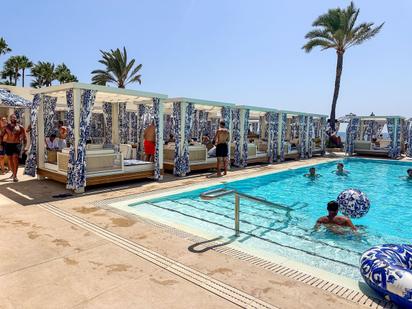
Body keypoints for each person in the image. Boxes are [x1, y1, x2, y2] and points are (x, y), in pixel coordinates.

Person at [0, 114, 27, 182]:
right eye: (12, 117)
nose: (13, 118)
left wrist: (25, 146)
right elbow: (1, 136)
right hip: (8, 144)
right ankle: (13, 173)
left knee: (15, 158)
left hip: (16, 144)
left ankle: (15, 176)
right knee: (10, 159)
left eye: (14, 117)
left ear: (16, 118)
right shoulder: (6, 127)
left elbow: (24, 137)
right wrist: (1, 144)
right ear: (10, 119)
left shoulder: (20, 127)